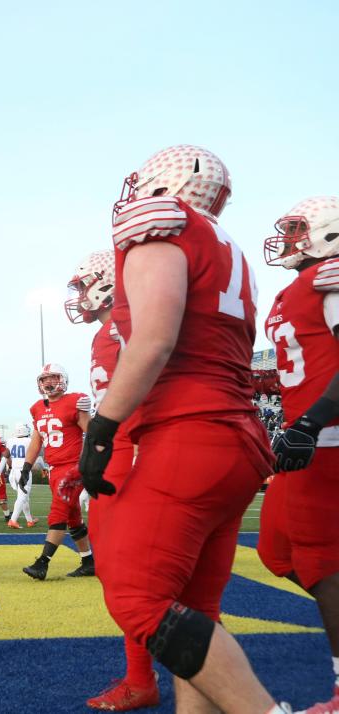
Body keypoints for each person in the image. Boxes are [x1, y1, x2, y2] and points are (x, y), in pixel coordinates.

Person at [78, 145, 284, 712]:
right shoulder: (229, 249)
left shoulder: (164, 228)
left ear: (166, 184)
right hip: (235, 438)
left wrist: (103, 427)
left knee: (138, 600)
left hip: (190, 429)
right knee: (195, 614)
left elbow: (155, 338)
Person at [66, 249, 159, 709]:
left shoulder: (126, 320)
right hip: (115, 449)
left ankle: (148, 676)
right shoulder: (109, 327)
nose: (80, 296)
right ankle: (143, 674)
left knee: (127, 572)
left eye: (84, 285)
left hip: (133, 447)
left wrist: (134, 448)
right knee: (116, 569)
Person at [259, 195, 339, 712]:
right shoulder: (296, 288)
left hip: (327, 439)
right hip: (303, 440)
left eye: (296, 229)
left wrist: (311, 422)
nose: (286, 240)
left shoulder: (331, 278)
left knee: (320, 560)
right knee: (276, 551)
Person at [20, 364, 95, 579]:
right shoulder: (37, 407)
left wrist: (88, 463)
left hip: (72, 467)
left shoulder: (74, 401)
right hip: (54, 469)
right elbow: (37, 439)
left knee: (58, 513)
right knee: (73, 517)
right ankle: (88, 561)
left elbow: (91, 433)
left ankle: (42, 563)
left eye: (53, 378)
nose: (49, 382)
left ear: (63, 379)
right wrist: (27, 466)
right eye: (45, 379)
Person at [2, 424, 37, 529]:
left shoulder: (10, 440)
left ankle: (30, 520)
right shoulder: (29, 441)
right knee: (22, 497)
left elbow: (6, 456)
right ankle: (13, 520)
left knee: (24, 497)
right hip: (24, 471)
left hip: (14, 471)